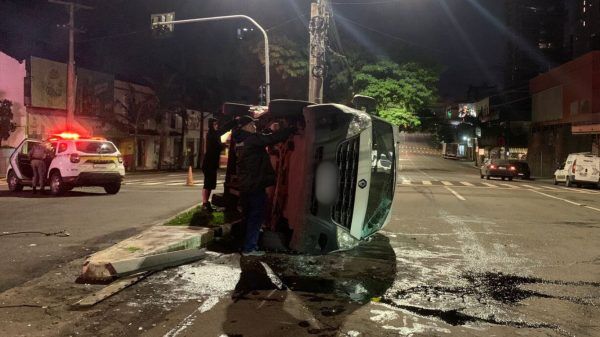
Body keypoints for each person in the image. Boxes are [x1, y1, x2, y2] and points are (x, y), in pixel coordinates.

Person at [233, 115, 296, 256]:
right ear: (247, 126)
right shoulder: (252, 139)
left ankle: (244, 245)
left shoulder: (240, 141)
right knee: (256, 216)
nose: (255, 127)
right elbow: (270, 139)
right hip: (255, 184)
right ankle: (250, 248)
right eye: (252, 125)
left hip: (246, 184)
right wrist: (290, 129)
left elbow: (263, 137)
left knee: (248, 216)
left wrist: (269, 130)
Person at [201, 117, 235, 211]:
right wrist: (234, 121)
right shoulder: (212, 134)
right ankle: (205, 203)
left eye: (217, 124)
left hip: (211, 163)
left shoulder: (213, 134)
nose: (217, 126)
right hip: (209, 163)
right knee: (208, 184)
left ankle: (206, 203)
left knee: (210, 184)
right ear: (211, 125)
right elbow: (223, 130)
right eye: (215, 124)